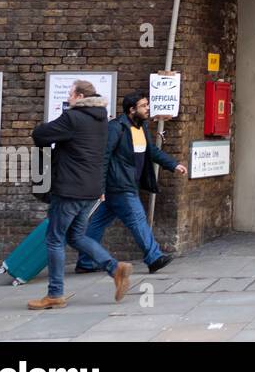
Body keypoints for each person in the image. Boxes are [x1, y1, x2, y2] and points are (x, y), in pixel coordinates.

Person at [28, 80, 132, 309]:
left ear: (79, 95)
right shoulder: (101, 120)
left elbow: (41, 133)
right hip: (91, 190)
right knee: (76, 236)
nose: (68, 98)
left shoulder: (73, 118)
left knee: (55, 239)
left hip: (70, 190)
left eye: (70, 94)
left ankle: (55, 293)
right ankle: (114, 268)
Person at [75, 91, 187, 275]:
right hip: (120, 185)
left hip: (124, 185)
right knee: (138, 219)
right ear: (131, 110)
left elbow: (151, 151)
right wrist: (100, 187)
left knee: (96, 223)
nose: (147, 109)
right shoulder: (116, 128)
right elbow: (104, 157)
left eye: (147, 105)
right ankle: (153, 257)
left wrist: (173, 164)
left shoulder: (140, 128)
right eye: (143, 106)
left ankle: (86, 262)